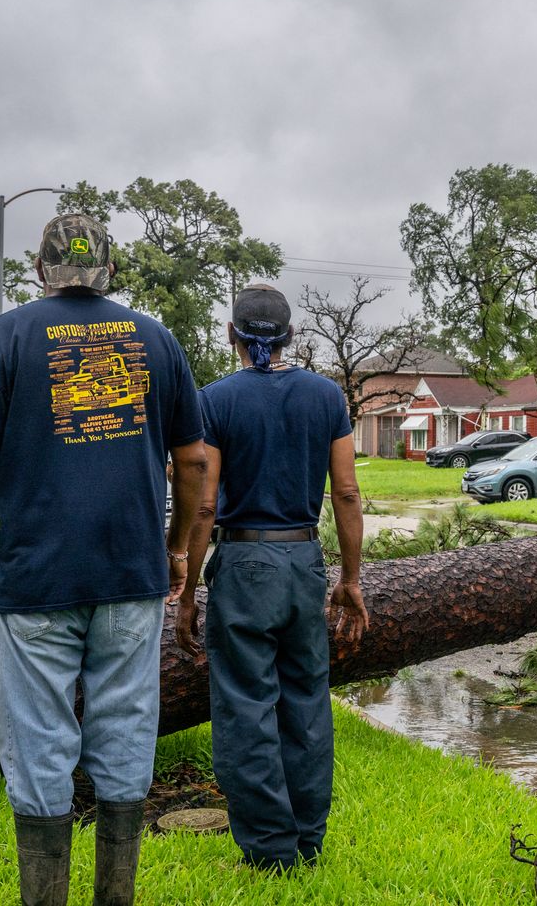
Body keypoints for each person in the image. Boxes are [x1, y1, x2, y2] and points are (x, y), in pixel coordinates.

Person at [0, 214, 207, 906]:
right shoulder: (156, 339)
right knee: (126, 729)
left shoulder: (2, 339)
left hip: (37, 576)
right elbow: (193, 459)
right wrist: (176, 551)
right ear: (110, 269)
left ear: (38, 269)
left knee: (38, 735)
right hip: (130, 573)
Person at [174, 282, 368, 871]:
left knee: (244, 705)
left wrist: (187, 587)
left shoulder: (216, 400)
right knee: (306, 702)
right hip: (305, 561)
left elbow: (205, 505)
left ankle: (269, 851)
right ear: (289, 337)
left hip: (245, 562)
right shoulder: (326, 396)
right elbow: (348, 493)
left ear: (231, 335)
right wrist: (351, 580)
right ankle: (308, 838)